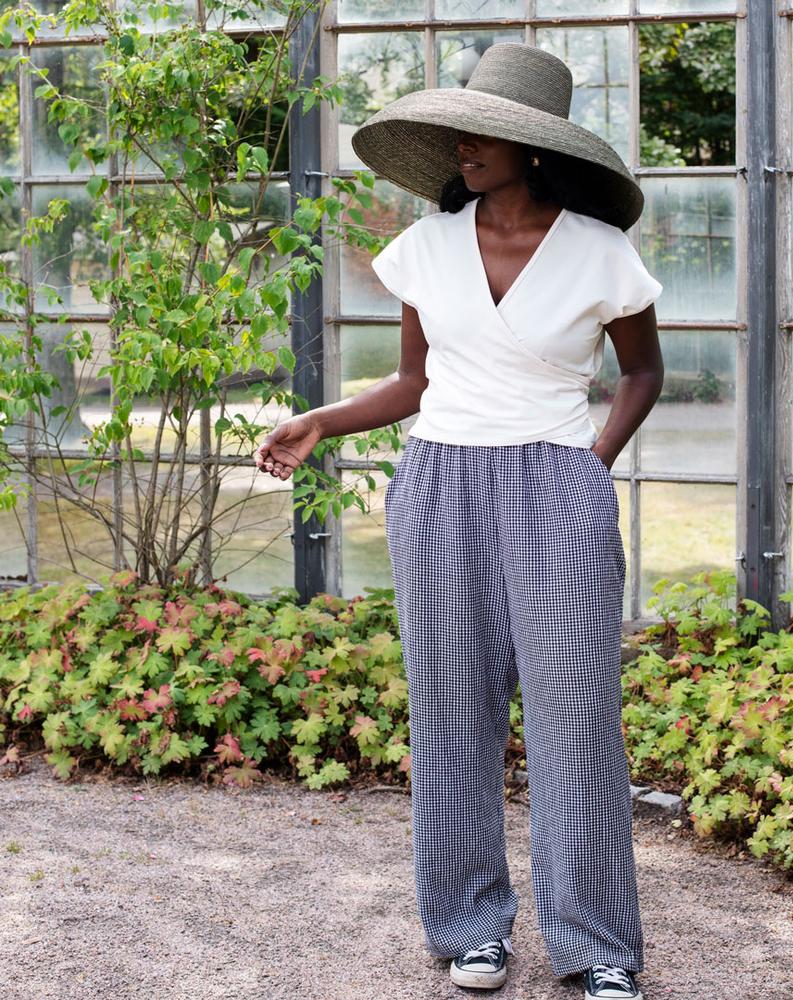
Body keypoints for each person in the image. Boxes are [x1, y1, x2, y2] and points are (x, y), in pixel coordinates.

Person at [254, 42, 664, 1000]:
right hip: (440, 483)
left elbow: (644, 372)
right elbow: (413, 383)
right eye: (460, 133)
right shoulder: (427, 247)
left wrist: (591, 462)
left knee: (576, 720)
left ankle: (598, 946)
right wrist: (321, 420)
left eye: (484, 135)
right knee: (450, 715)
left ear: (535, 148)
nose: (463, 149)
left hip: (556, 484)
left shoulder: (599, 250)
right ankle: (472, 928)